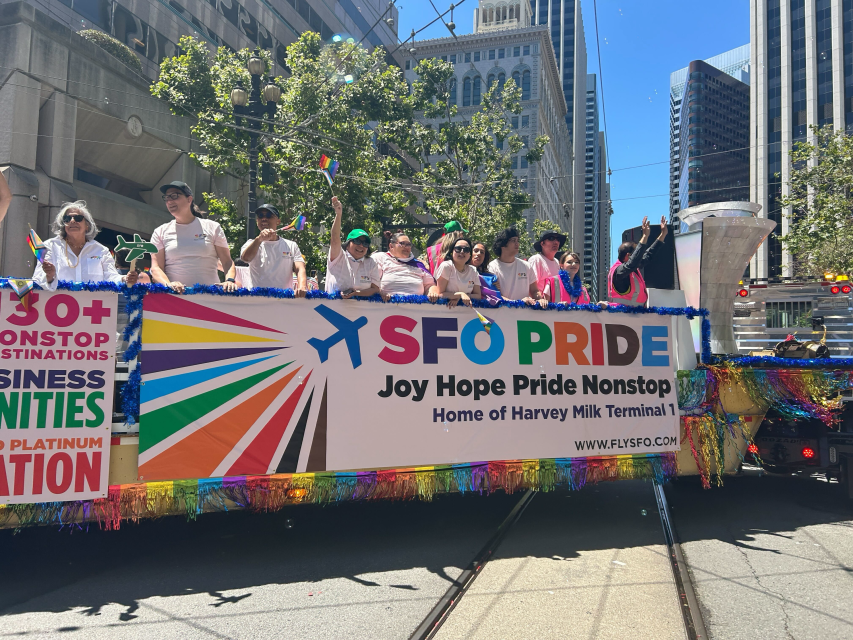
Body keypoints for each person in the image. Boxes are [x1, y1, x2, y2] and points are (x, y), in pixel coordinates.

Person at [149, 181, 238, 293]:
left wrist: (229, 280)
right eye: (166, 197)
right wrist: (169, 285)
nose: (170, 201)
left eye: (174, 196)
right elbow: (156, 268)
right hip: (175, 299)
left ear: (189, 199)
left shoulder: (212, 227)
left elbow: (227, 262)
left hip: (211, 299)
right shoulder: (160, 232)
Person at [32, 201, 138, 290]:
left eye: (78, 218)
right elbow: (37, 279)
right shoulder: (49, 246)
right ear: (63, 225)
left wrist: (125, 279)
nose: (72, 221)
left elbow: (110, 277)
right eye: (67, 219)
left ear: (87, 225)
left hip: (93, 310)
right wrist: (49, 276)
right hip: (59, 309)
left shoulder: (101, 250)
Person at [240, 204, 307, 296]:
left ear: (278, 222)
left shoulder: (291, 245)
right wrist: (259, 239)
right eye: (260, 216)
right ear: (257, 222)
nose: (264, 219)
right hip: (257, 299)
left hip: (283, 299)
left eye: (268, 215)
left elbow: (300, 268)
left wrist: (302, 286)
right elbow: (246, 259)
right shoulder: (251, 243)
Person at [325, 196, 381, 298]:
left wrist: (355, 294)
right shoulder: (339, 256)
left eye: (365, 243)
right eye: (357, 241)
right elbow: (335, 239)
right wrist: (338, 215)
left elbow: (375, 289)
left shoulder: (371, 263)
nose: (361, 245)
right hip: (333, 310)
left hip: (362, 312)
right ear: (348, 243)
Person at [608, 215, 668, 307]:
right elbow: (631, 263)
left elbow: (648, 255)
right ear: (628, 256)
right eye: (637, 253)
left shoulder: (633, 270)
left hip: (636, 317)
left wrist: (662, 234)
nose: (640, 256)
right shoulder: (618, 271)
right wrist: (645, 236)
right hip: (620, 317)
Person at [488, 227, 546, 307]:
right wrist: (518, 303)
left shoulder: (526, 265)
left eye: (517, 240)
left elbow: (535, 290)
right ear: (503, 245)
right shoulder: (492, 267)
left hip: (524, 315)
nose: (517, 244)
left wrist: (540, 299)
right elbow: (495, 295)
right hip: (501, 315)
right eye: (513, 240)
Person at [375, 233, 440, 300]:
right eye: (402, 243)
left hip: (415, 307)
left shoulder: (418, 264)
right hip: (385, 306)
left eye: (409, 244)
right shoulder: (380, 258)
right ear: (391, 246)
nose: (407, 247)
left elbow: (429, 285)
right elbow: (372, 282)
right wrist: (380, 292)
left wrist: (432, 292)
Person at [435, 236, 482, 308]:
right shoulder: (447, 267)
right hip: (446, 309)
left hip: (466, 312)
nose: (462, 252)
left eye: (466, 249)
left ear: (470, 254)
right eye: (458, 249)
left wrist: (460, 297)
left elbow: (478, 295)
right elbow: (440, 294)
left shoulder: (473, 270)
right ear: (451, 252)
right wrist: (460, 294)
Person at [528, 229, 567, 295]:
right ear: (542, 243)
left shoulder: (556, 262)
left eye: (558, 239)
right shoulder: (536, 260)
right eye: (551, 238)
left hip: (554, 304)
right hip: (540, 303)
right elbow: (531, 288)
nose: (556, 242)